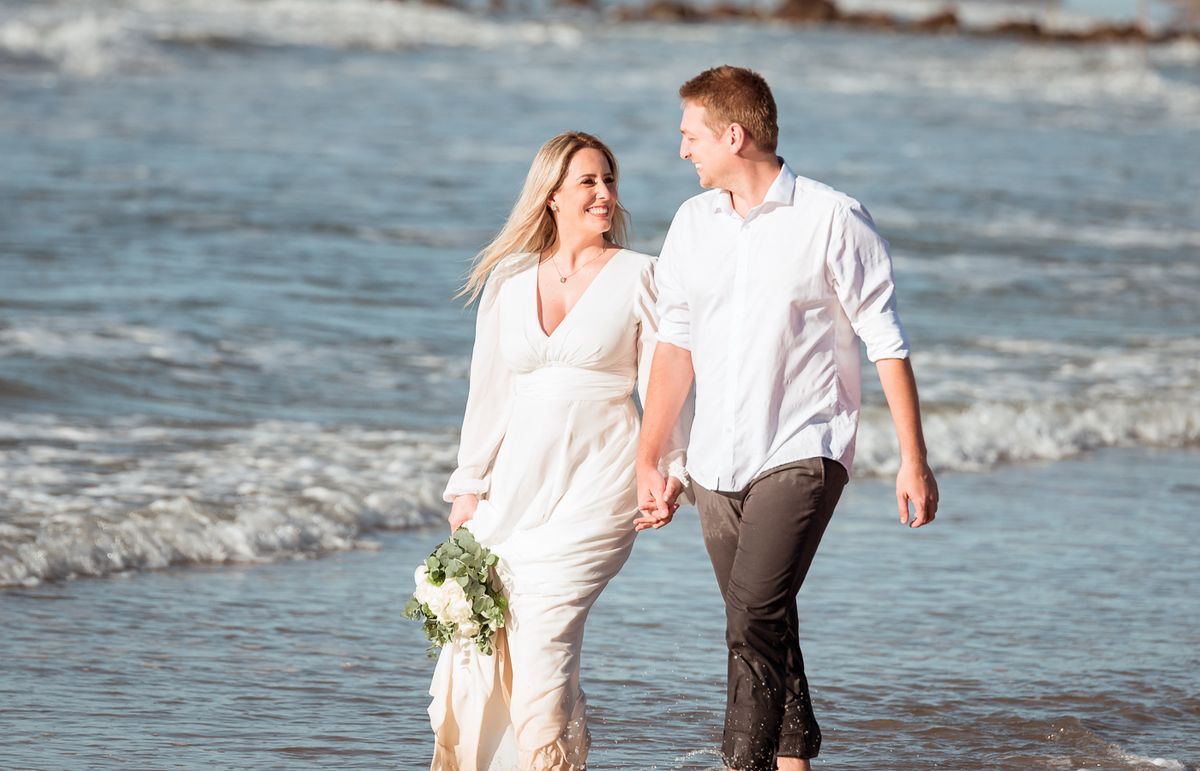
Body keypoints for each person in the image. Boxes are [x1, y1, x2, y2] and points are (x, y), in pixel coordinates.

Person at [635, 66, 939, 771]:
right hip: (715, 463)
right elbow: (674, 346)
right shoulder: (692, 224)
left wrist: (913, 459)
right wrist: (652, 454)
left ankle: (741, 762)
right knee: (763, 622)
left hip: (805, 450)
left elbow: (886, 342)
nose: (682, 151)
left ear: (733, 136)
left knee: (749, 616)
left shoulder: (832, 218)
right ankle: (795, 759)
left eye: (691, 135)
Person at [431, 131, 690, 771]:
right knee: (483, 641)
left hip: (603, 480)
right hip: (517, 485)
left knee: (544, 630)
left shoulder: (640, 274)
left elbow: (669, 378)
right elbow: (488, 391)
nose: (605, 194)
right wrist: (469, 483)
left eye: (610, 181)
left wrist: (669, 468)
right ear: (550, 195)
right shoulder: (510, 279)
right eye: (588, 182)